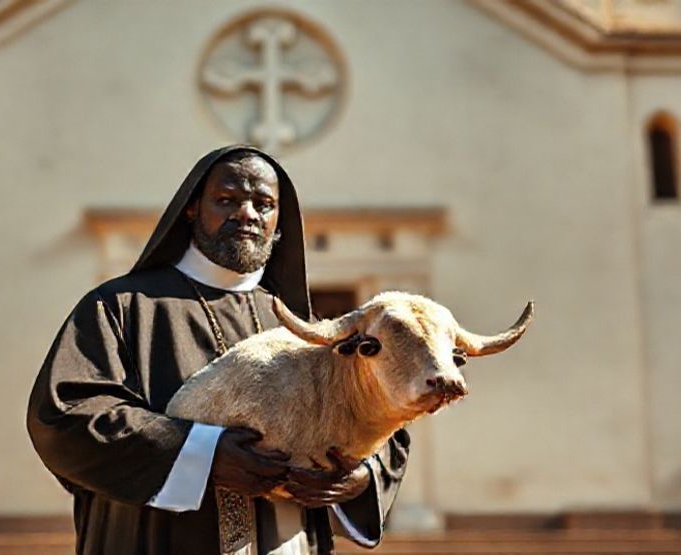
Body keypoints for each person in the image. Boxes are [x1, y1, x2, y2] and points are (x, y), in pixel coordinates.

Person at [26, 145, 409, 554]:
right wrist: (201, 454)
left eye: (264, 204)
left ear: (279, 223)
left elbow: (383, 417)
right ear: (192, 209)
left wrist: (359, 476)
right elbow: (64, 416)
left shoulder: (306, 331)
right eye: (227, 199)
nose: (247, 213)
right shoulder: (121, 307)